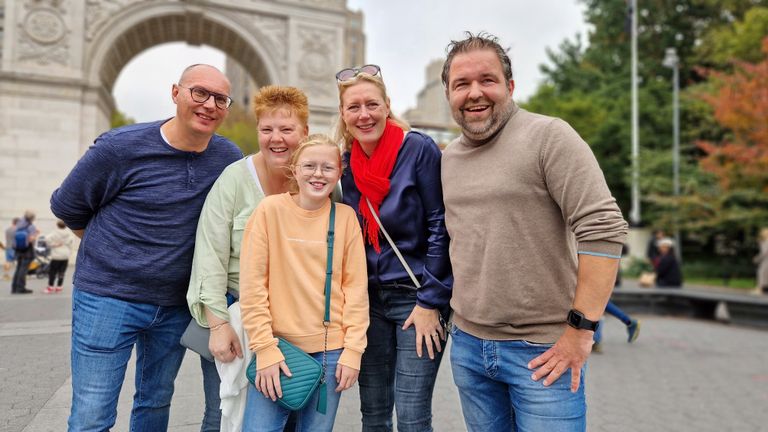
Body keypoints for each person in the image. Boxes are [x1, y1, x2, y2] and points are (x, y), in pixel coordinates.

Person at [440, 32, 628, 431]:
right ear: (448, 94)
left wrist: (581, 330)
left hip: (543, 351)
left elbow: (604, 229)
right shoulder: (448, 159)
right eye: (462, 84)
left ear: (509, 86)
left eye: (487, 80)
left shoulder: (549, 136)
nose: (475, 93)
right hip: (469, 348)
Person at [50, 64, 242, 431]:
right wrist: (113, 255)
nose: (209, 105)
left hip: (175, 305)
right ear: (176, 93)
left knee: (155, 401)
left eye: (220, 98)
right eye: (199, 93)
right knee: (93, 413)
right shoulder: (119, 148)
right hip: (107, 300)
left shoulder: (228, 158)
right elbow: (67, 207)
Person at [334, 64, 452, 431]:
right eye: (354, 107)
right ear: (343, 113)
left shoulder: (417, 149)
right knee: (374, 413)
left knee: (413, 416)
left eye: (372, 104)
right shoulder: (345, 165)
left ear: (387, 105)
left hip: (416, 299)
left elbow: (440, 225)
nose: (364, 115)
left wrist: (431, 301)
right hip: (367, 303)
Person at [187, 85, 310, 431]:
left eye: (287, 129)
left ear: (305, 132)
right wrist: (218, 324)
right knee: (222, 414)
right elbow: (208, 255)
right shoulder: (234, 180)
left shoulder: (319, 181)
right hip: (236, 317)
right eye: (267, 129)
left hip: (298, 325)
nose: (276, 139)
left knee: (287, 413)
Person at [239, 134, 369, 431]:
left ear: (339, 173)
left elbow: (355, 290)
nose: (318, 174)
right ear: (294, 169)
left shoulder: (345, 218)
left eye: (328, 167)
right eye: (309, 165)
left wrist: (353, 351)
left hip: (330, 352)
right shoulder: (269, 211)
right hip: (277, 348)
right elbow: (253, 286)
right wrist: (264, 348)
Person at [44, 220, 76, 294]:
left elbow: (47, 239)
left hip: (56, 256)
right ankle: (59, 287)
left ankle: (50, 287)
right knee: (62, 272)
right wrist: (70, 252)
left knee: (52, 272)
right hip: (65, 255)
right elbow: (72, 244)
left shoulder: (54, 233)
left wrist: (53, 245)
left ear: (57, 225)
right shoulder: (69, 234)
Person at [11, 211, 39, 294]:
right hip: (27, 251)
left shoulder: (19, 225)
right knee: (23, 270)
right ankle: (21, 288)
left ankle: (14, 288)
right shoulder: (30, 226)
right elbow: (31, 239)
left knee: (18, 269)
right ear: (32, 218)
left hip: (18, 250)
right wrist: (36, 234)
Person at [754, 228, 768, 295]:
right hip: (765, 260)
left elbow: (765, 252)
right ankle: (762, 289)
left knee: (761, 273)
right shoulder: (764, 241)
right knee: (763, 274)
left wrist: (757, 258)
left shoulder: (766, 241)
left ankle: (760, 289)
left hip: (766, 261)